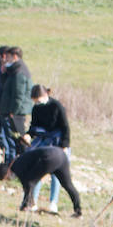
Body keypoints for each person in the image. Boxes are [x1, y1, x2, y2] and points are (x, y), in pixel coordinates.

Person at [0, 146, 82, 218]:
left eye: (7, 178)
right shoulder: (18, 160)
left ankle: (27, 206)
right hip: (61, 155)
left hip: (50, 158)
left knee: (30, 182)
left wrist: (24, 203)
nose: (10, 179)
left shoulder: (17, 166)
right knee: (68, 185)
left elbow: (27, 184)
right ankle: (78, 211)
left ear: (7, 172)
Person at [27, 84, 71, 214]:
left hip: (58, 142)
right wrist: (28, 135)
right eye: (35, 102)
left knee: (56, 173)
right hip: (44, 141)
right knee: (38, 171)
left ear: (45, 95)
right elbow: (34, 125)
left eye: (39, 100)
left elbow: (65, 127)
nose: (37, 104)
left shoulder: (57, 106)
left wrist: (64, 146)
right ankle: (32, 201)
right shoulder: (36, 108)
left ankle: (53, 203)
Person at [0, 46, 33, 165]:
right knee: (11, 139)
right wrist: (3, 72)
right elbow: (5, 85)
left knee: (15, 140)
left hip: (16, 113)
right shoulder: (14, 70)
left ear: (15, 57)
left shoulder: (19, 72)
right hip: (11, 111)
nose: (7, 59)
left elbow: (18, 95)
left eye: (9, 57)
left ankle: (15, 165)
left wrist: (13, 112)